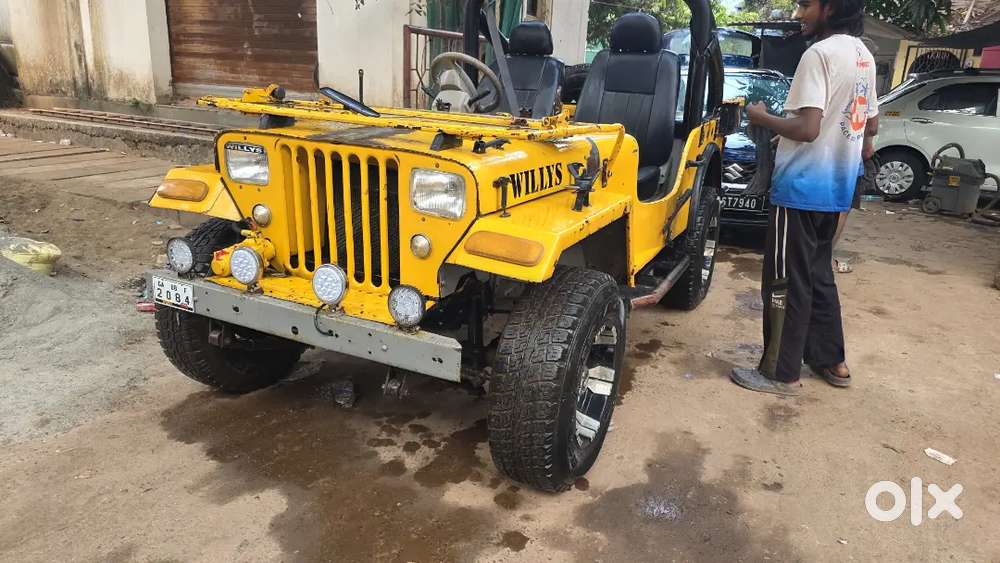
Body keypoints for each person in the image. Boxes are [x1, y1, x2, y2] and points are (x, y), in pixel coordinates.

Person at [730, 0, 877, 395]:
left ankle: (780, 372)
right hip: (836, 187)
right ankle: (833, 361)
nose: (798, 15)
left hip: (800, 190)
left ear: (830, 8)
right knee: (818, 275)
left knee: (784, 282)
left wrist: (762, 118)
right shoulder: (864, 55)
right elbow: (869, 124)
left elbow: (809, 127)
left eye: (806, 5)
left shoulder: (819, 54)